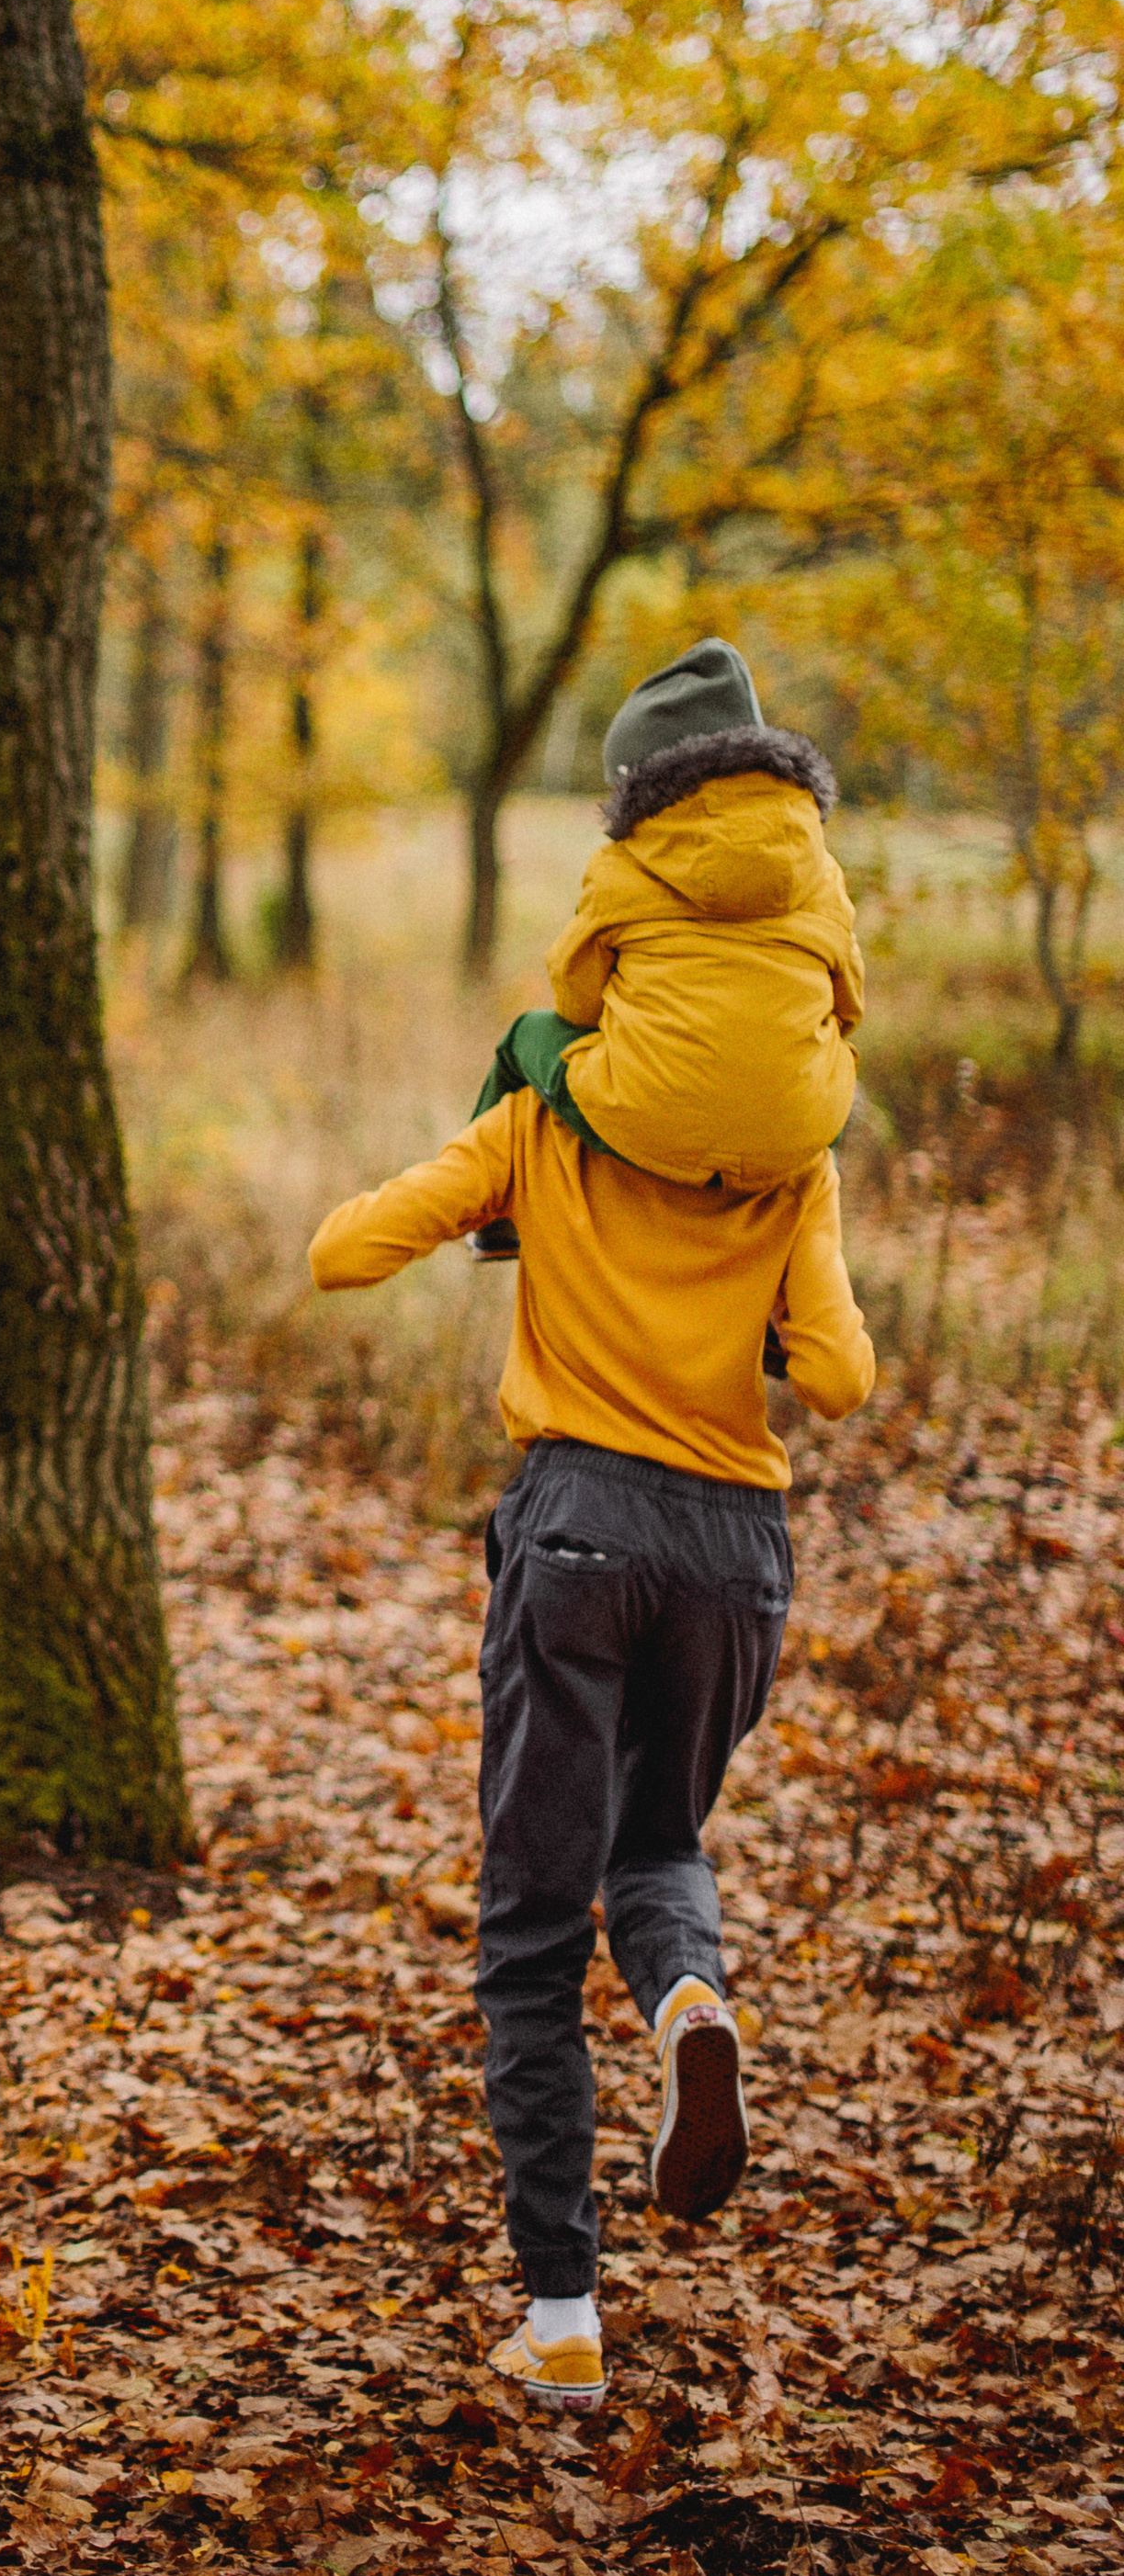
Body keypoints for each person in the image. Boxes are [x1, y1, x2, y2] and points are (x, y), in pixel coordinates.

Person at [307, 1006, 875, 2412]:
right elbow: (844, 1378)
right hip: (737, 1554)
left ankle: (563, 2310)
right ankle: (690, 2001)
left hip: (580, 1534)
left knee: (534, 1930)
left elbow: (341, 1251)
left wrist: (500, 1177)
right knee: (661, 1840)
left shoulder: (545, 1116)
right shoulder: (791, 1151)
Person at [466, 637, 865, 1264]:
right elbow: (849, 1003)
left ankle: (491, 1219)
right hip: (789, 1134)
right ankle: (798, 1278)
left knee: (522, 1040)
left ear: (637, 782)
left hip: (647, 1122)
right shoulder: (821, 868)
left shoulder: (619, 869)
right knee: (833, 1080)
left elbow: (574, 998)